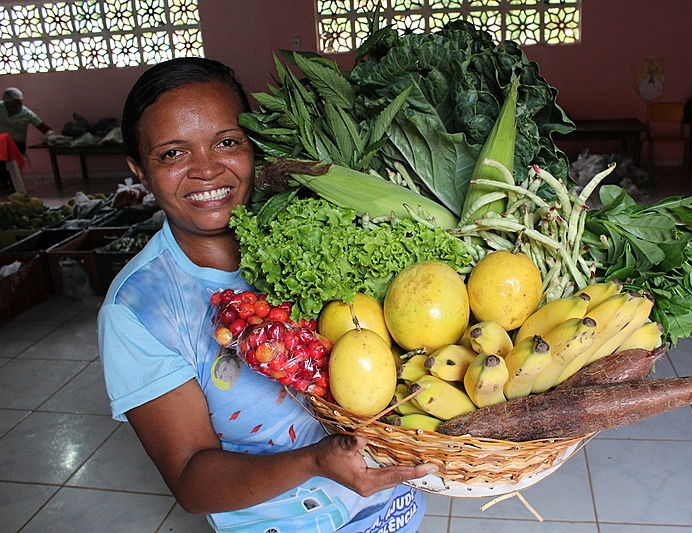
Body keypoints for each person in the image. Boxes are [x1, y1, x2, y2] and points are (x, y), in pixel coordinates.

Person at [97, 57, 434, 533]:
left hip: (396, 510)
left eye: (228, 142)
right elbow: (192, 481)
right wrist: (316, 461)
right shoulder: (139, 309)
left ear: (254, 144)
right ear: (141, 171)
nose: (207, 170)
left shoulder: (312, 227)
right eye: (173, 154)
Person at [0, 87, 54, 192]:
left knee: (1, 155)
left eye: (19, 104)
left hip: (17, 143)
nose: (17, 107)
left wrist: (55, 137)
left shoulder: (26, 113)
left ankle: (7, 180)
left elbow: (43, 128)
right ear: (6, 104)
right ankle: (4, 180)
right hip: (1, 142)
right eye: (14, 105)